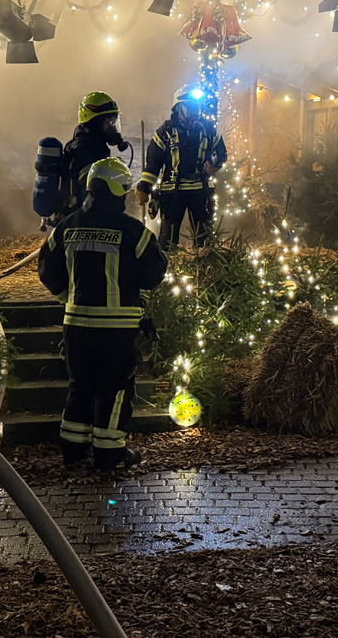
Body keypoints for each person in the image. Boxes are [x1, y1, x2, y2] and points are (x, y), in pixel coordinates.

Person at [38, 157, 168, 470]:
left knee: (80, 386)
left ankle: (73, 450)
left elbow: (46, 268)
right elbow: (156, 271)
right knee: (115, 388)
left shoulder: (68, 226)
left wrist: (67, 298)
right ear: (118, 190)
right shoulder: (132, 231)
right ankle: (110, 453)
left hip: (76, 326)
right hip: (116, 329)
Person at [135, 88, 227, 250]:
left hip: (201, 189)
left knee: (204, 238)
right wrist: (144, 187)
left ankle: (204, 271)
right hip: (172, 192)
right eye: (188, 108)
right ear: (177, 108)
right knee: (167, 238)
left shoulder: (209, 131)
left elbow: (221, 153)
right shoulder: (164, 133)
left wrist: (214, 166)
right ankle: (166, 270)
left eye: (196, 108)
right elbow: (153, 164)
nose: (193, 112)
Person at [57, 91, 130, 220]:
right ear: (95, 122)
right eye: (110, 123)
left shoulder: (76, 145)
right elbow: (94, 194)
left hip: (71, 217)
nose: (112, 129)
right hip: (83, 219)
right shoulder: (91, 150)